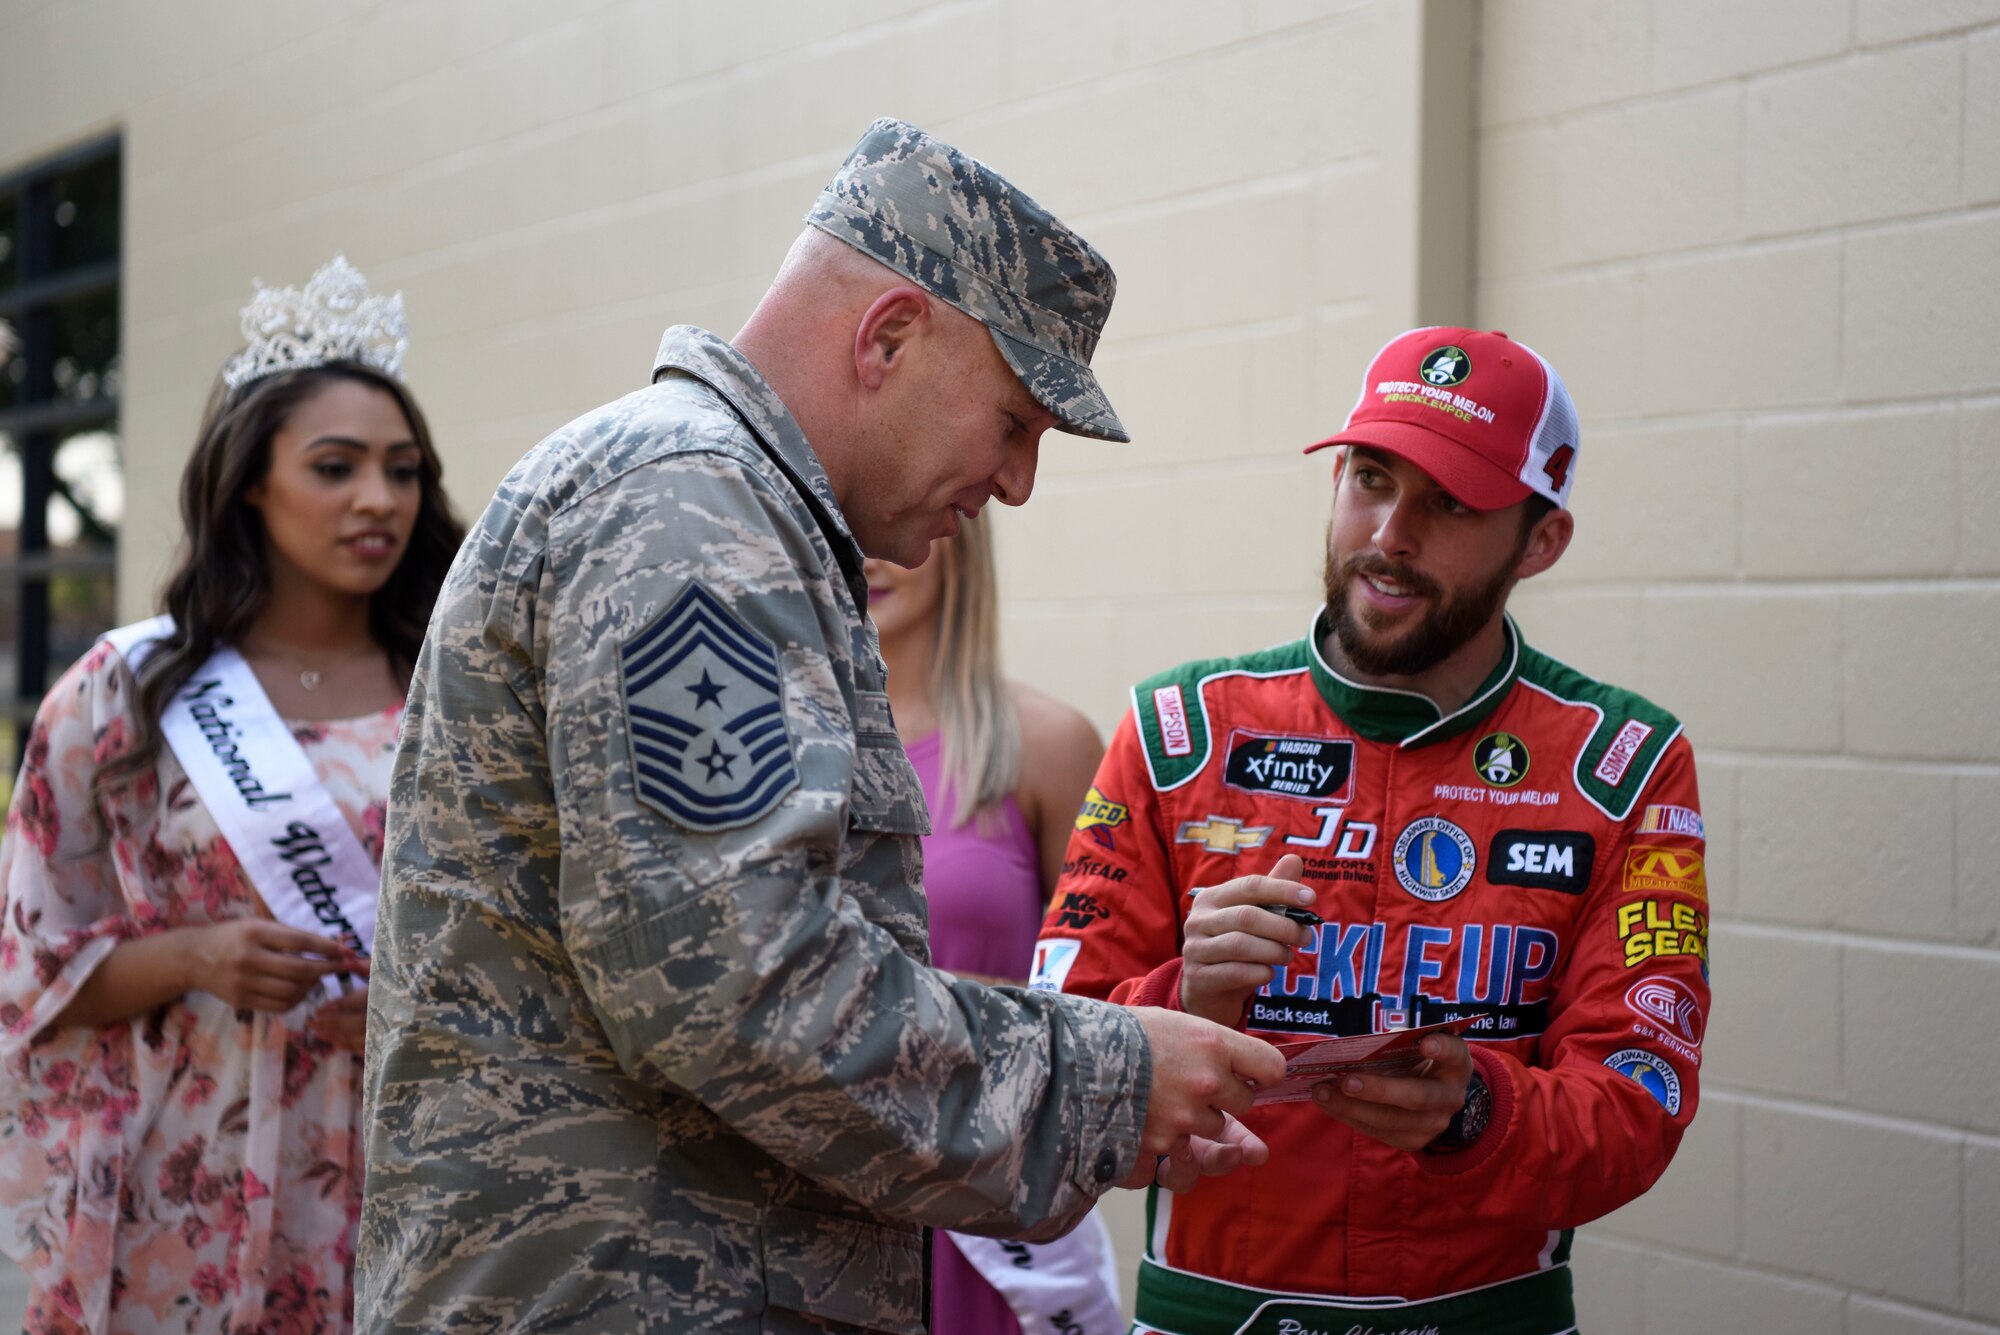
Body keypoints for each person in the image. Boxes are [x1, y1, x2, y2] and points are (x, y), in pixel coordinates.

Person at [356, 118, 1284, 1334]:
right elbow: (730, 981)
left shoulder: (726, 507)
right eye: (1012, 423)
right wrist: (1106, 1082)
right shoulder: (691, 511)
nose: (1016, 484)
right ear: (889, 334)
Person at [1032, 327, 1710, 1334]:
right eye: (1368, 477)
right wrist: (1189, 997)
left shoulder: (1623, 764)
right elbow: (1046, 1071)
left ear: (1540, 540)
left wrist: (1474, 1112)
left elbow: (1636, 1102)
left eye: (1451, 503)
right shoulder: (1178, 734)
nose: (1390, 534)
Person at [0, 256, 464, 1333]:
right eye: (336, 467)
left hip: (418, 1162)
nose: (377, 500)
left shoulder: (466, 687)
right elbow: (27, 963)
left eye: (402, 472)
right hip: (188, 1178)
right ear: (251, 478)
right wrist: (197, 956)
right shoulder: (129, 693)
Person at [867, 515, 1123, 1335]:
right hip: (828, 1192)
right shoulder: (781, 755)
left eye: (886, 523)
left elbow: (1108, 997)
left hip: (988, 1207)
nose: (868, 551)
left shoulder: (1046, 747)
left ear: (957, 536)